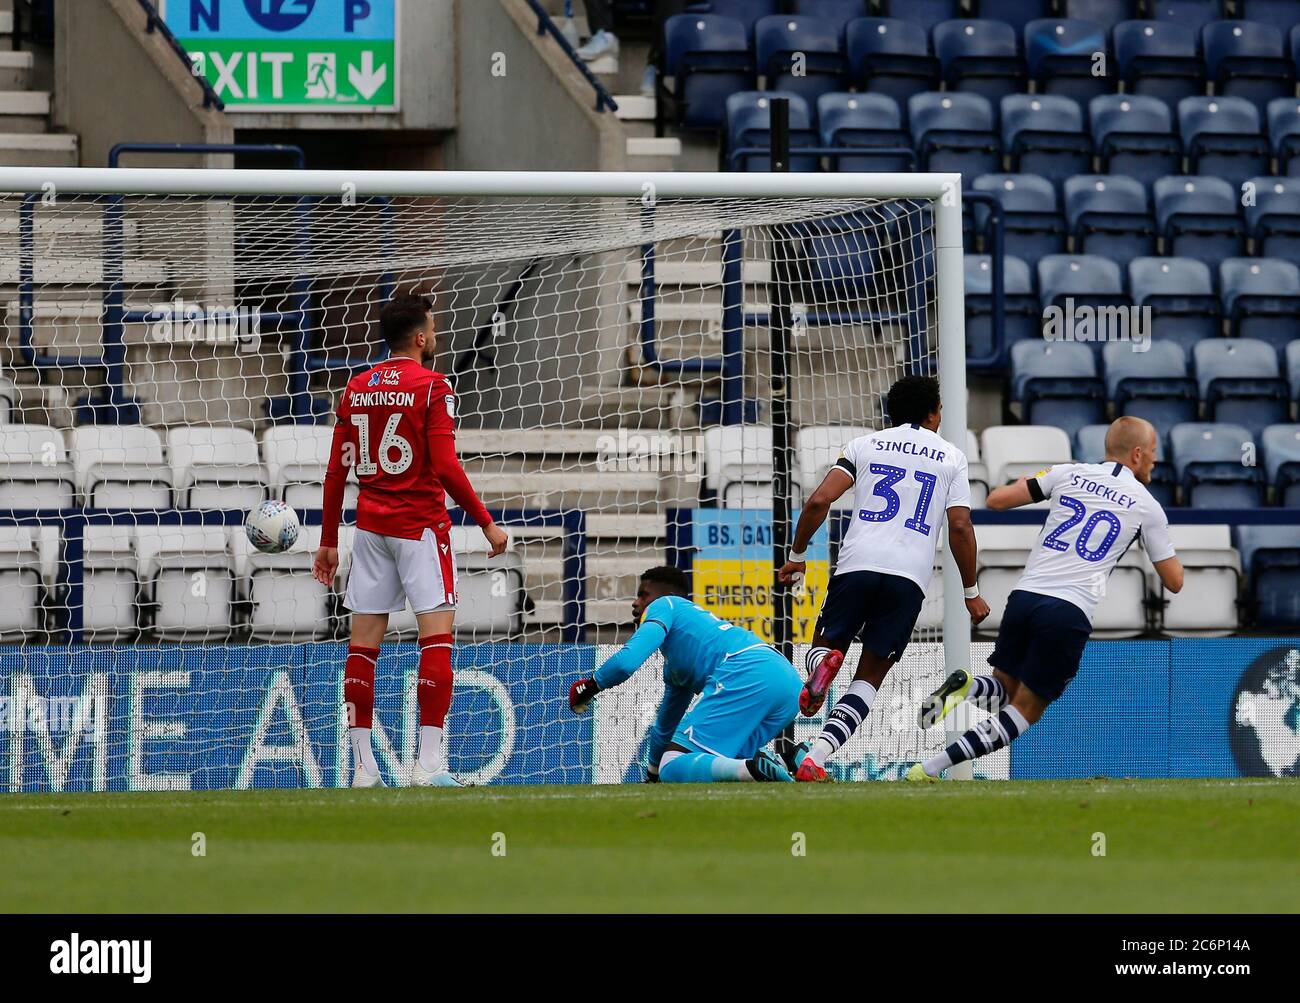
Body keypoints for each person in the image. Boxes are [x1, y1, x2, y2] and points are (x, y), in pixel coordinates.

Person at [908, 416, 1184, 781]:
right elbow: (1174, 582)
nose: (1154, 460)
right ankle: (931, 768)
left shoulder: (1067, 473)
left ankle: (968, 687)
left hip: (1024, 597)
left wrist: (1046, 479)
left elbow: (997, 499)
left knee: (1005, 691)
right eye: (1152, 453)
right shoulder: (1146, 506)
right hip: (1068, 611)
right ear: (1136, 454)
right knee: (1027, 708)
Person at [314, 292, 509, 789]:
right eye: (434, 327)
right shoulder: (432, 387)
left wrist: (328, 539)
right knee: (436, 637)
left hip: (371, 529)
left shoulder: (356, 388)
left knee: (362, 646)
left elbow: (337, 471)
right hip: (420, 528)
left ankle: (362, 770)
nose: (437, 334)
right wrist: (486, 521)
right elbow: (445, 465)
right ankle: (428, 765)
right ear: (420, 336)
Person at [776, 375, 989, 782]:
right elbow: (960, 527)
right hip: (907, 579)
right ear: (932, 413)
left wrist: (798, 555)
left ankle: (824, 665)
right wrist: (971, 591)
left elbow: (820, 499)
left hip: (857, 564)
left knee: (822, 647)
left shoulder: (864, 445)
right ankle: (815, 759)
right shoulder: (951, 457)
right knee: (869, 678)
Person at [567, 566, 804, 783]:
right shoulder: (679, 666)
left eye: (643, 595)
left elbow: (626, 663)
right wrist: (652, 775)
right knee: (721, 765)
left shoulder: (665, 605)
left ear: (663, 595)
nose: (636, 603)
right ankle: (793, 760)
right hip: (787, 682)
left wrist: (590, 685)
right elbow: (665, 726)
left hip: (745, 668)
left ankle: (756, 769)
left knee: (673, 766)